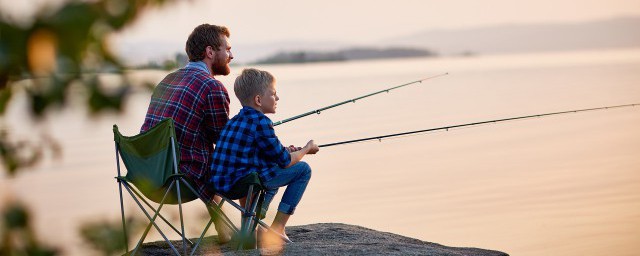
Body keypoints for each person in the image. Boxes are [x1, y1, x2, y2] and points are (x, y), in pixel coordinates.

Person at [140, 24, 234, 242]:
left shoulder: (167, 80)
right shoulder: (212, 87)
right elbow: (223, 142)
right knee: (238, 161)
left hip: (147, 175)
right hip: (179, 180)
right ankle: (250, 233)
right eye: (227, 49)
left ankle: (224, 231)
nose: (231, 55)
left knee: (205, 157)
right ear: (210, 52)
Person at [209, 68, 319, 245]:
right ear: (258, 100)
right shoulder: (262, 122)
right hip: (244, 184)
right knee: (303, 170)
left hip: (221, 185)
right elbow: (284, 161)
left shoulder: (234, 121)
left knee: (269, 168)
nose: (277, 98)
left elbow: (259, 150)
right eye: (273, 94)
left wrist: (286, 149)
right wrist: (306, 149)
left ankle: (253, 226)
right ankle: (277, 228)